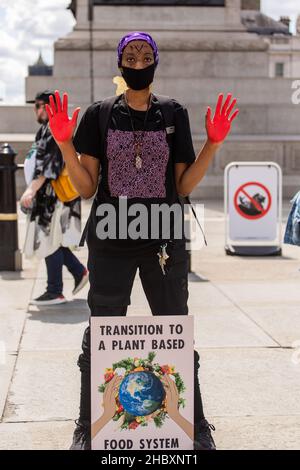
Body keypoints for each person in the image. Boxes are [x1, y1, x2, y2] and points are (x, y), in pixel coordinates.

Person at [45, 31, 239, 450]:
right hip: (112, 235)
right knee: (102, 330)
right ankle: (88, 424)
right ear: (119, 62)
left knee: (174, 329)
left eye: (144, 54)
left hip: (163, 238)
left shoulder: (173, 112)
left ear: (155, 61)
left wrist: (213, 144)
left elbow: (184, 184)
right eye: (129, 55)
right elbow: (85, 188)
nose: (137, 61)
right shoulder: (98, 114)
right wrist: (65, 143)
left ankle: (195, 423)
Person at [21, 90, 88, 305]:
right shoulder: (44, 130)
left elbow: (48, 167)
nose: (38, 110)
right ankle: (78, 273)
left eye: (41, 105)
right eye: (36, 106)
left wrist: (31, 190)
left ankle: (55, 290)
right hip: (49, 197)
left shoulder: (53, 130)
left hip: (53, 197)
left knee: (49, 241)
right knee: (52, 241)